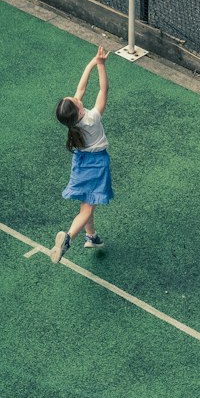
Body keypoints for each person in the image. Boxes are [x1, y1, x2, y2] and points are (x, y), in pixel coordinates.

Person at [50, 45, 113, 262]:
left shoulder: (74, 123)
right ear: (77, 110)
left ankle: (91, 236)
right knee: (87, 208)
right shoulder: (92, 118)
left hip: (81, 163)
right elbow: (103, 91)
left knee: (86, 201)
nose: (78, 97)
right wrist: (102, 66)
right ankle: (68, 238)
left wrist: (92, 63)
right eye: (76, 101)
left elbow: (81, 88)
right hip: (96, 165)